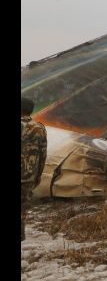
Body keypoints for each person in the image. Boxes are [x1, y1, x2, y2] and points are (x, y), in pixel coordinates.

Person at [21, 97, 47, 242]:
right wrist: (38, 176)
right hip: (28, 176)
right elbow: (43, 154)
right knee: (23, 209)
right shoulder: (39, 128)